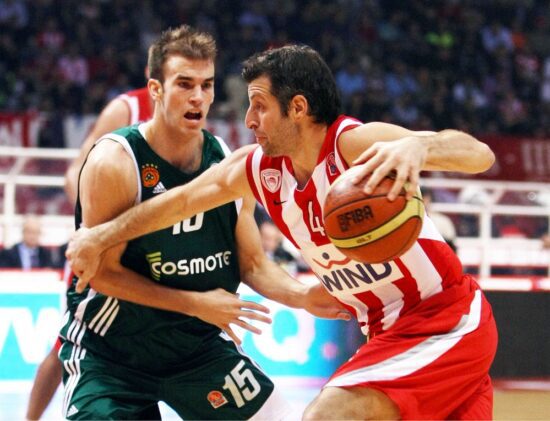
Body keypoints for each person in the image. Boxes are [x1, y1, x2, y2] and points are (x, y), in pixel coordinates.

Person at [66, 45, 498, 420]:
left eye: (259, 106)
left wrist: (422, 145)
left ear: (298, 108)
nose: (248, 119)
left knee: (329, 413)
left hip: (445, 319)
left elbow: (479, 154)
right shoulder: (258, 169)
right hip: (384, 332)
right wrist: (100, 236)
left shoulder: (355, 146)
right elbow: (177, 203)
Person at [60, 28, 346, 420]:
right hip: (113, 355)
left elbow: (251, 263)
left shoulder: (226, 162)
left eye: (206, 85)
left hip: (197, 349)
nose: (198, 97)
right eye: (184, 84)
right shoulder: (115, 161)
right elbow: (101, 274)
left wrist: (302, 296)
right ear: (155, 90)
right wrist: (195, 303)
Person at [26, 51, 155, 421]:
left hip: (151, 251)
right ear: (151, 74)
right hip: (105, 245)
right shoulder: (126, 109)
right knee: (67, 342)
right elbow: (75, 172)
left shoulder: (191, 119)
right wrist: (94, 227)